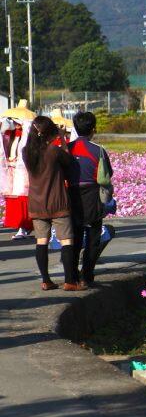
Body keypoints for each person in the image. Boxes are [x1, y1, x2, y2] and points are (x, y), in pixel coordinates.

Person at [24, 116, 79, 290]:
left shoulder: (26, 152)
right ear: (50, 133)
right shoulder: (53, 151)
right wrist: (62, 138)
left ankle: (46, 280)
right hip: (58, 202)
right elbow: (69, 162)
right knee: (67, 241)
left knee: (41, 241)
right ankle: (70, 281)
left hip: (36, 203)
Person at [68, 111, 114, 288]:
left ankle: (71, 276)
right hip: (92, 196)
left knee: (75, 238)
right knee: (94, 239)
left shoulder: (68, 148)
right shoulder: (98, 150)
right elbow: (107, 175)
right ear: (93, 129)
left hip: (72, 196)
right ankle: (86, 275)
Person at [2, 100, 35, 239]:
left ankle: (25, 225)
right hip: (12, 167)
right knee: (13, 195)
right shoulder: (12, 133)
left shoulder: (28, 132)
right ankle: (19, 224)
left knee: (23, 195)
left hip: (22, 168)